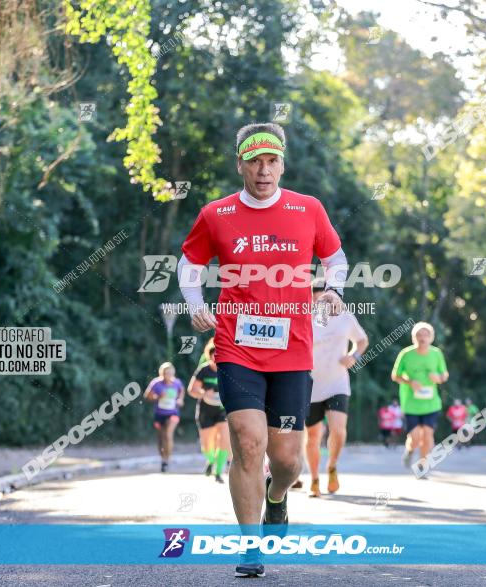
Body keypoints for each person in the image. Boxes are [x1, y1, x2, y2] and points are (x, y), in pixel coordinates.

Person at [178, 122, 347, 578]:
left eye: (272, 161)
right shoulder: (217, 214)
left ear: (282, 164)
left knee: (288, 459)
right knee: (248, 444)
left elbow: (334, 258)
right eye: (255, 161)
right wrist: (195, 304)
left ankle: (277, 497)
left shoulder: (307, 209)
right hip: (236, 347)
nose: (264, 170)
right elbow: (189, 263)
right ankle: (249, 546)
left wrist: (333, 289)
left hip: (293, 351)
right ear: (241, 164)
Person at [304, 284, 368, 497]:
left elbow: (362, 340)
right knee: (313, 436)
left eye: (328, 299)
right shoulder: (306, 318)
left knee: (338, 431)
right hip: (310, 385)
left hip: (337, 383)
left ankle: (332, 465)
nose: (324, 304)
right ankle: (314, 479)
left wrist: (353, 356)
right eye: (319, 300)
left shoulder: (346, 317)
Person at [391, 322, 449, 473]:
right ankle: (410, 451)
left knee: (428, 435)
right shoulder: (406, 354)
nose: (422, 338)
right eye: (419, 335)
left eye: (426, 335)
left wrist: (439, 378)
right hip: (411, 404)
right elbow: (395, 375)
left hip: (431, 404)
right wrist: (410, 382)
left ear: (431, 338)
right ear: (413, 337)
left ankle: (422, 466)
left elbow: (444, 375)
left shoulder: (436, 353)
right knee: (416, 438)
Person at [188, 340, 230, 483]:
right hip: (205, 411)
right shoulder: (203, 370)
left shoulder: (228, 371)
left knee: (224, 440)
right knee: (207, 444)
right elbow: (192, 390)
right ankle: (211, 461)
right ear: (210, 355)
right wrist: (204, 392)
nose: (217, 357)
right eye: (214, 354)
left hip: (222, 411)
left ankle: (218, 472)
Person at [145, 362, 185, 473]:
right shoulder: (156, 383)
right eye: (165, 372)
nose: (168, 374)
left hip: (173, 413)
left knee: (168, 434)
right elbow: (147, 395)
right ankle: (163, 459)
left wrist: (180, 400)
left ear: (173, 372)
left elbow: (181, 391)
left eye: (170, 372)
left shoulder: (177, 383)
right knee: (160, 439)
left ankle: (167, 460)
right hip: (159, 414)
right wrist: (157, 396)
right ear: (161, 373)